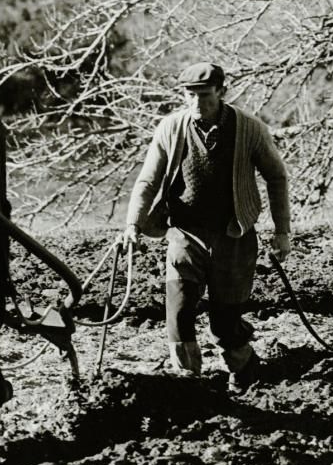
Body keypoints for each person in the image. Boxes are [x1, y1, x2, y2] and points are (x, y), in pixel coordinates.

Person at [121, 62, 292, 391]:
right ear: (182, 95)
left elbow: (277, 175)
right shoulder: (171, 128)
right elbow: (147, 180)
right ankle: (190, 384)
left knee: (224, 325)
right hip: (184, 235)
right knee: (179, 313)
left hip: (234, 235)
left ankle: (245, 371)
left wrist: (281, 231)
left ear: (222, 92)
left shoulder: (249, 129)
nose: (198, 103)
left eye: (206, 96)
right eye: (191, 96)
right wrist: (132, 223)